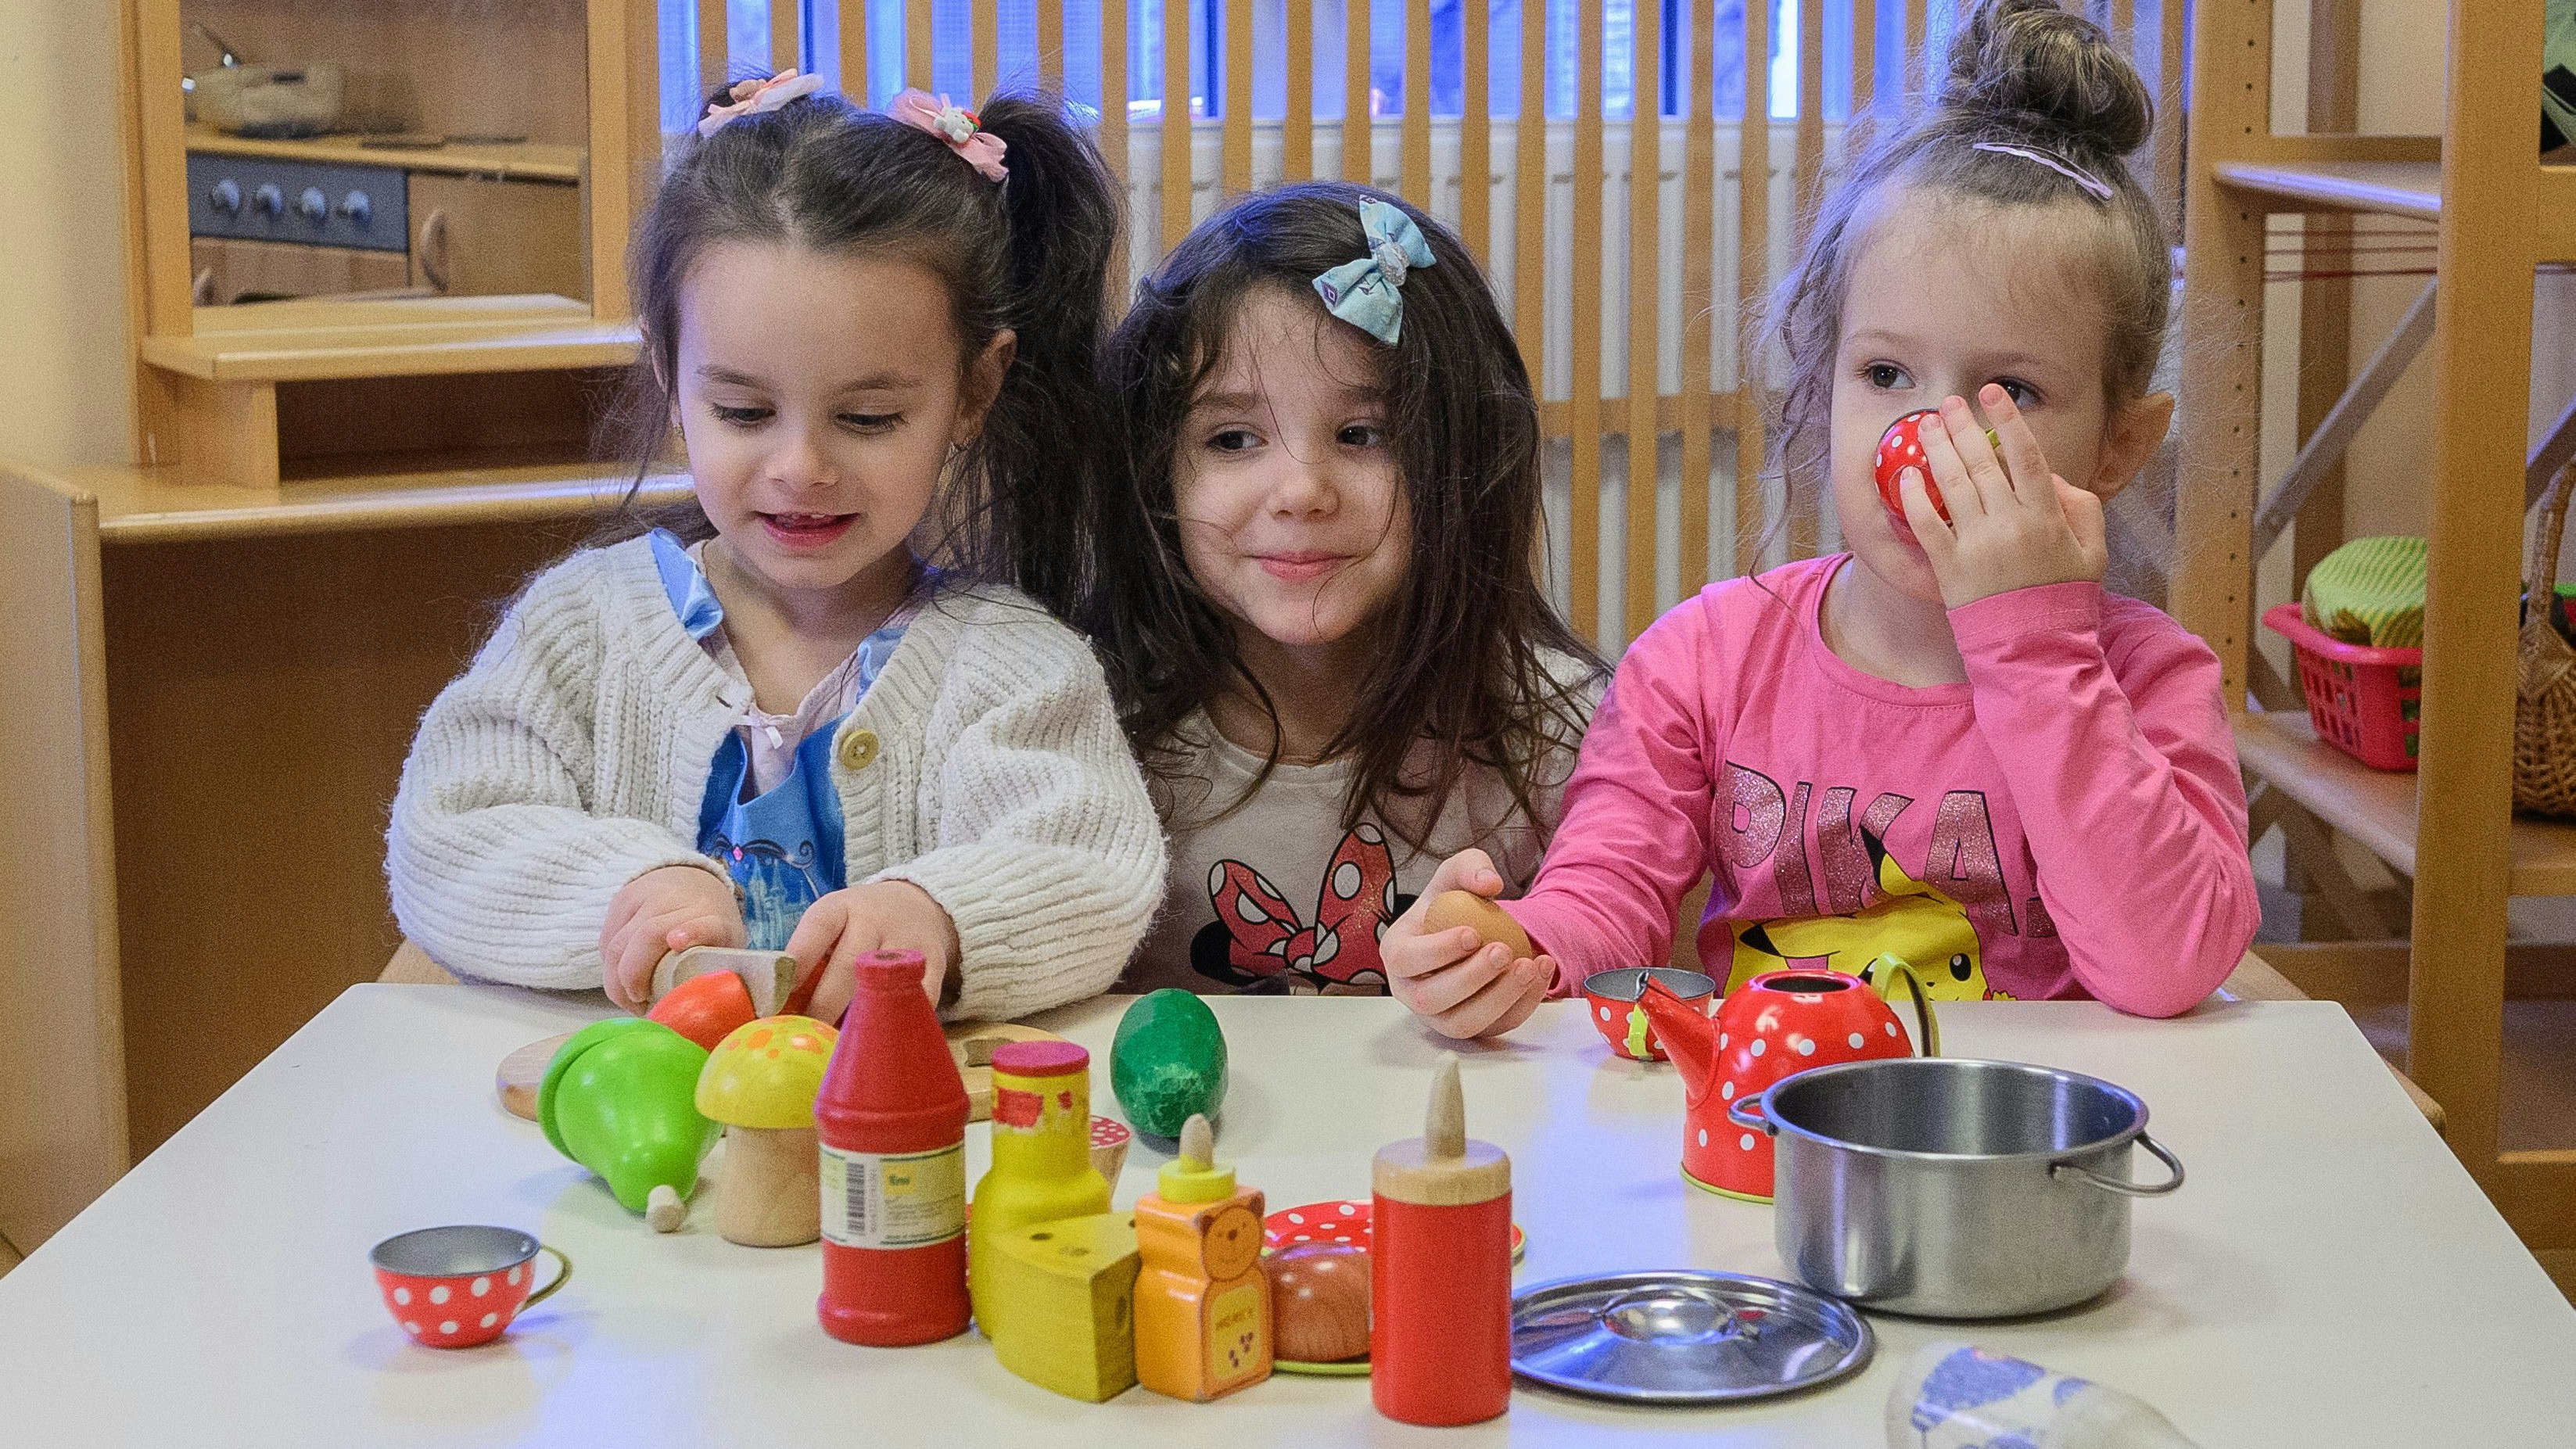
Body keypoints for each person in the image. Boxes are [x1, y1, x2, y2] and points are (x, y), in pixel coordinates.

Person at [1382, 0, 2257, 1028]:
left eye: (2008, 391)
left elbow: (2168, 967)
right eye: (1884, 372)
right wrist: (1514, 949)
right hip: (1763, 1143)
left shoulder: (2147, 681)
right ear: (1822, 382)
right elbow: (1605, 896)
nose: (1925, 438)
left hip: (2021, 1154)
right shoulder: (1705, 663)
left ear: (2118, 443)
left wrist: (2033, 649)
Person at [387, 77, 1164, 1024]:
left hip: (898, 1161)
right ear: (672, 380)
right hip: (631, 1152)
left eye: (869, 417)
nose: (801, 468)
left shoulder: (1013, 668)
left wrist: (942, 918)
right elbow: (448, 836)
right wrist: (630, 889)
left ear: (973, 389)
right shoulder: (580, 629)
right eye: (744, 412)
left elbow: (1093, 866)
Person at [1068, 182, 1600, 1024]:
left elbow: (1626, 1009)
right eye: (1232, 438)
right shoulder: (1089, 728)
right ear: (1158, 474)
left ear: (1460, 459)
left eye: (1364, 435)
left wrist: (1516, 959)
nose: (1302, 491)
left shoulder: (1564, 735)